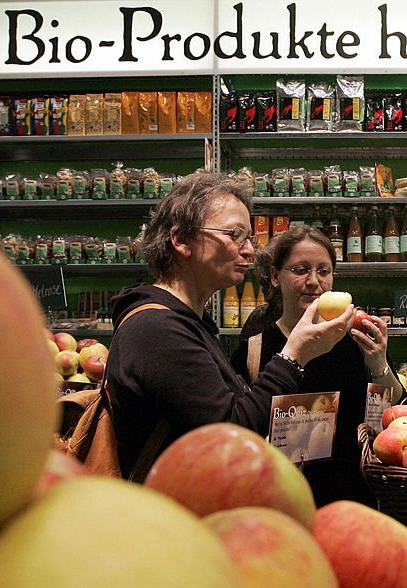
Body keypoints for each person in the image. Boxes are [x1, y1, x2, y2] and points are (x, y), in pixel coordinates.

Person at [106, 171, 354, 480]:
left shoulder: (189, 324)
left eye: (248, 238)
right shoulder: (157, 330)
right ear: (181, 239)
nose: (250, 250)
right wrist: (294, 354)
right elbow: (232, 435)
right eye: (234, 235)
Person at [230, 224, 407, 507]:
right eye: (300, 270)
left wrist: (378, 364)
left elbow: (391, 415)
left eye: (323, 271)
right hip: (279, 500)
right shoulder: (255, 348)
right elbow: (237, 429)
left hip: (351, 499)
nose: (314, 281)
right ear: (276, 276)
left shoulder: (355, 341)